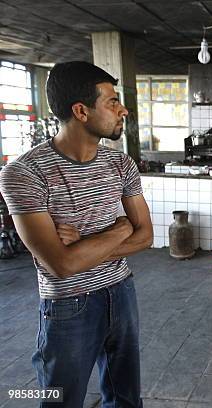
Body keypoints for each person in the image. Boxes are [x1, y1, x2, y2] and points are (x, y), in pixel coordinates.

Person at [0, 61, 153, 407]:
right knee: (61, 400)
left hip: (121, 290)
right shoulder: (24, 173)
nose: (123, 110)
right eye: (112, 102)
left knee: (127, 397)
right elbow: (63, 267)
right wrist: (119, 228)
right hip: (68, 303)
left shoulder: (121, 165)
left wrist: (84, 245)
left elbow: (144, 236)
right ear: (81, 111)